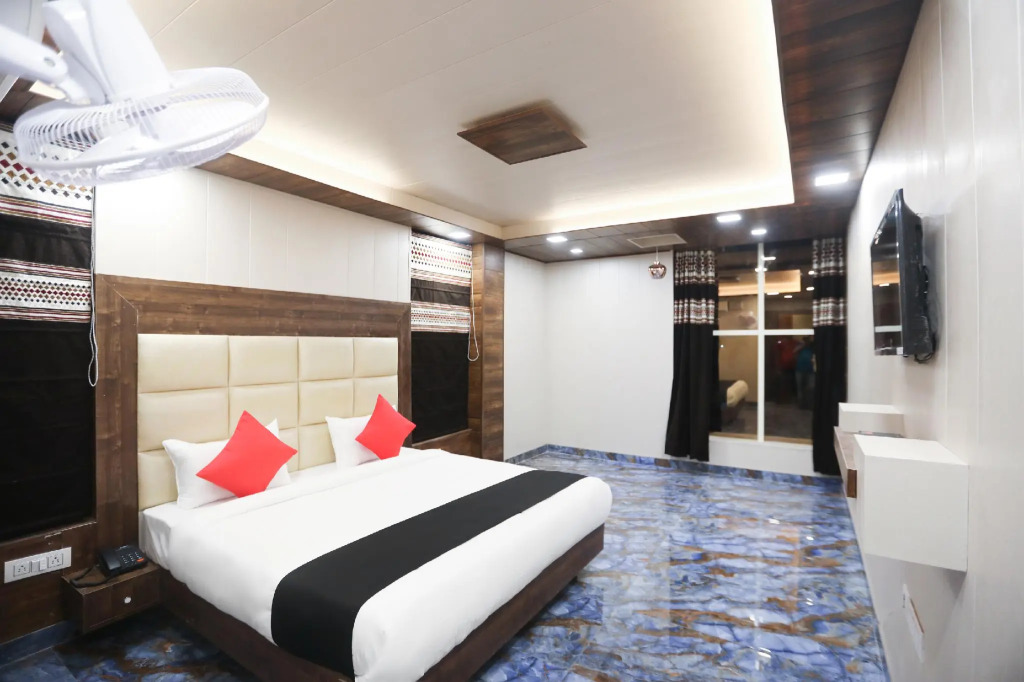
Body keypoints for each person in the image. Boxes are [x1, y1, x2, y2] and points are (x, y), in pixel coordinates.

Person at [795, 336, 815, 410]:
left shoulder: (813, 347)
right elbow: (794, 351)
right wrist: (803, 345)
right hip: (800, 369)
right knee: (800, 388)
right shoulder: (800, 346)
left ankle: (809, 404)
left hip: (811, 370)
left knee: (811, 388)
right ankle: (801, 404)